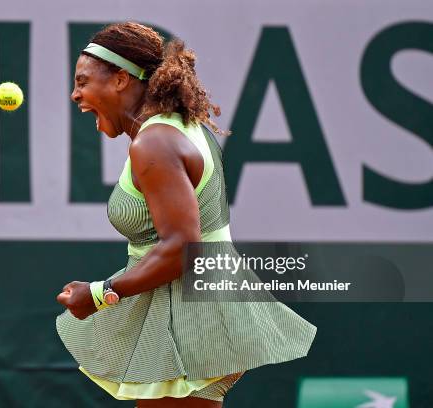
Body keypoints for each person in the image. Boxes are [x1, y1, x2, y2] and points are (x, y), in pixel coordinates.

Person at [56, 22, 316, 407]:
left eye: (83, 81)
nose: (75, 94)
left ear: (121, 80)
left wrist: (99, 294)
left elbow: (182, 248)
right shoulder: (176, 128)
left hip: (194, 322)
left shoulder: (155, 143)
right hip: (198, 310)